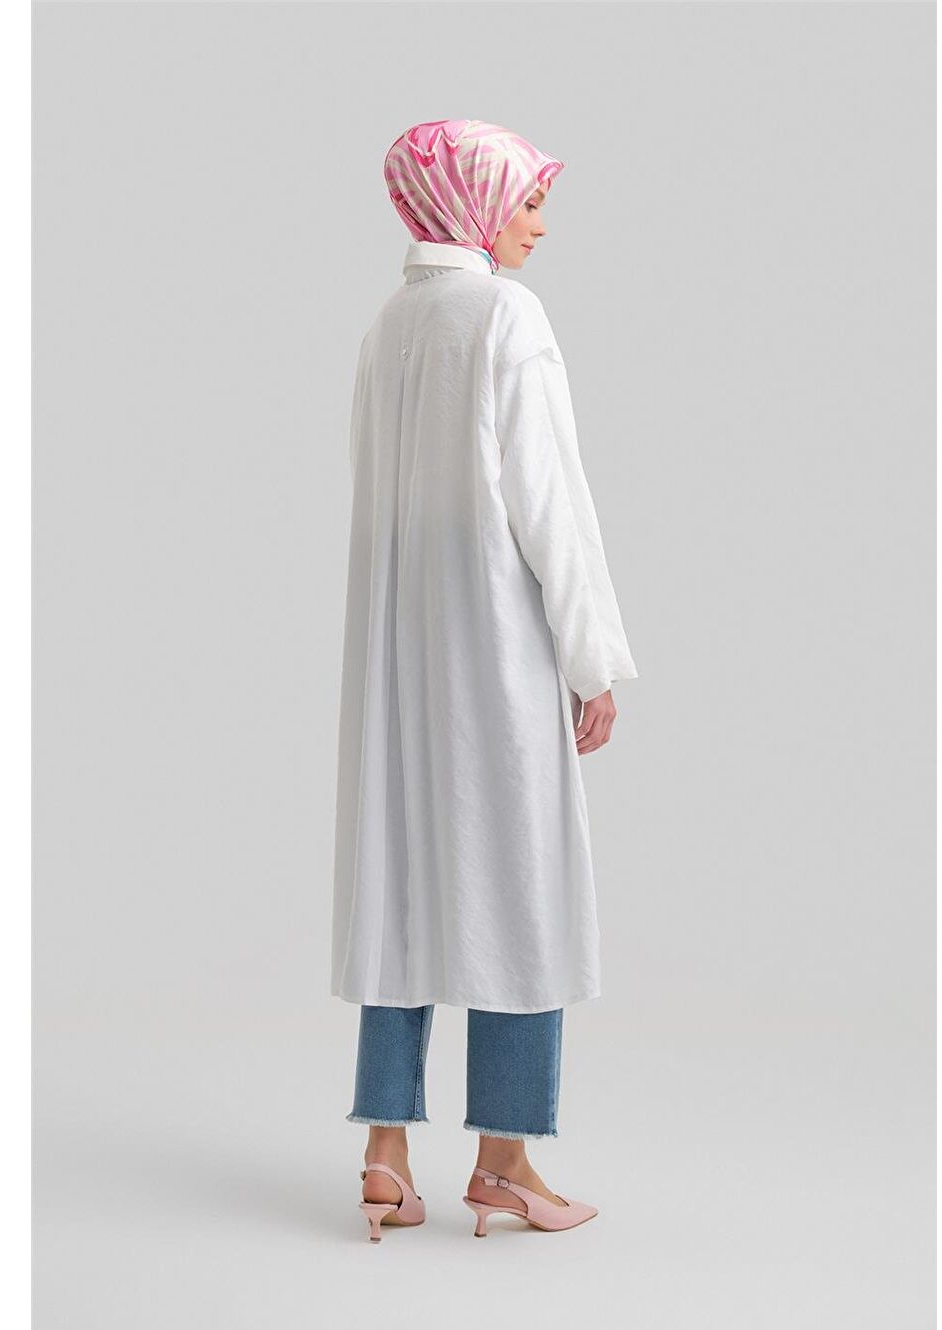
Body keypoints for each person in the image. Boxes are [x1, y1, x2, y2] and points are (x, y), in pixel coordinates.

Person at [331, 119, 638, 1241]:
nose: (541, 225)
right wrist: (590, 656)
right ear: (472, 201)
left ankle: (384, 1152)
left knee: (401, 883)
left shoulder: (390, 326)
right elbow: (550, 501)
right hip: (496, 647)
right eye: (528, 201)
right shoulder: (507, 316)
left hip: (397, 651)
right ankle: (504, 1160)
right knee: (522, 887)